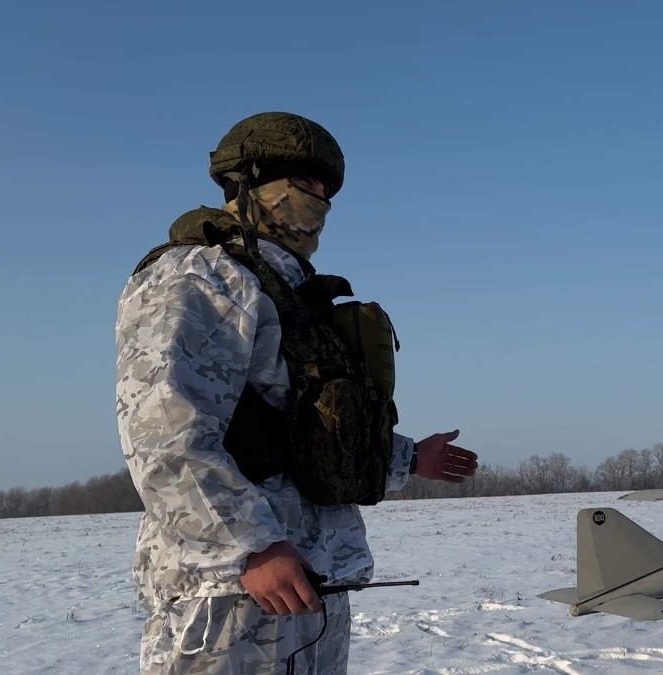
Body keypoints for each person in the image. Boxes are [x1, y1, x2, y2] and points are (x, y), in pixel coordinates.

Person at [114, 111, 478, 674]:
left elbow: (306, 434)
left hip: (310, 580)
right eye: (303, 182)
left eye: (327, 189)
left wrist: (406, 457)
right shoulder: (201, 275)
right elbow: (164, 433)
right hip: (232, 591)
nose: (319, 199)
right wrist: (249, 544)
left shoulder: (290, 293)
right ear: (248, 182)